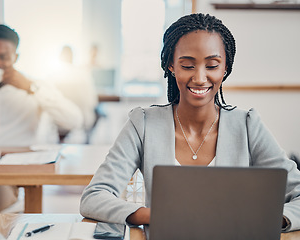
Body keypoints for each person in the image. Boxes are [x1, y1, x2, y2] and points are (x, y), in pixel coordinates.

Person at [80, 13, 300, 233]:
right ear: (171, 66)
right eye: (187, 66)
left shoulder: (247, 126)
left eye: (212, 65)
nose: (200, 78)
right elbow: (94, 196)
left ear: (225, 68)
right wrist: (155, 215)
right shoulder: (144, 124)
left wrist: (271, 219)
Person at [0, 24, 83, 213]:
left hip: (6, 176)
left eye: (3, 57)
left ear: (16, 57)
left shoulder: (35, 86)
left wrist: (31, 89)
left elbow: (74, 120)